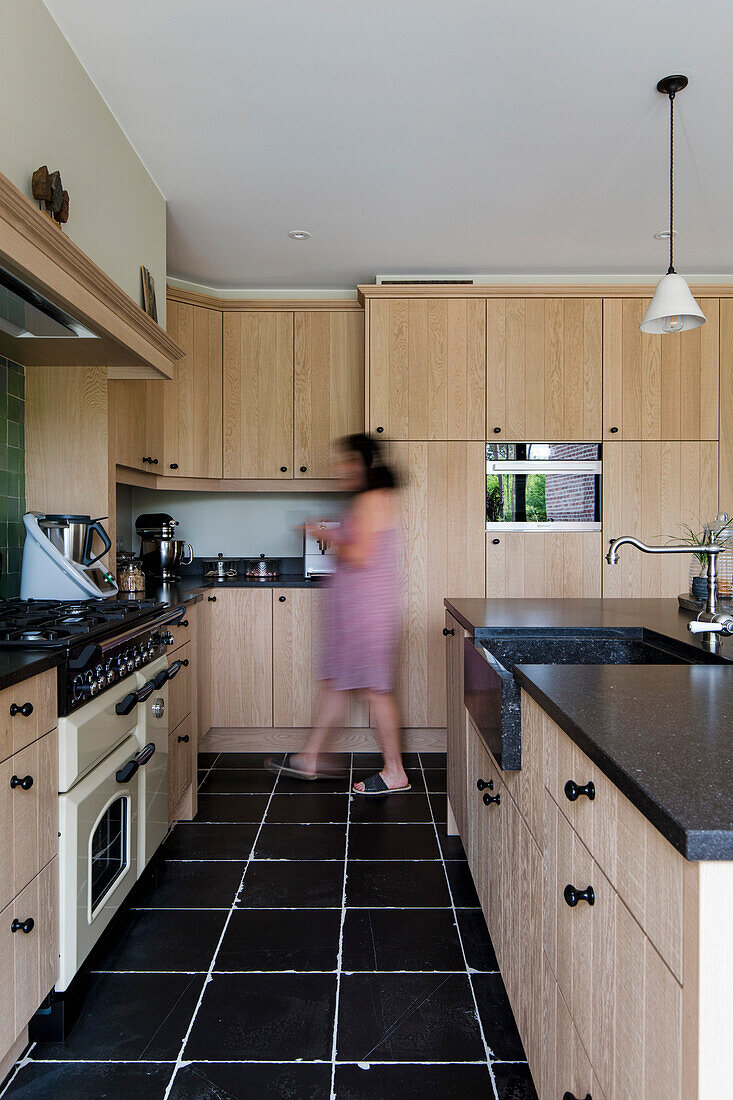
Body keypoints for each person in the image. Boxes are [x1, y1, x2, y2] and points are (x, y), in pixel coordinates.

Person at [267, 433, 409, 794]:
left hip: (366, 616)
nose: (340, 468)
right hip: (356, 615)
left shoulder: (372, 500)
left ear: (364, 464)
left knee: (375, 691)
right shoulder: (369, 500)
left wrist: (320, 532)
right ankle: (309, 758)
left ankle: (395, 771)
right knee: (336, 685)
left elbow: (360, 555)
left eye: (347, 461)